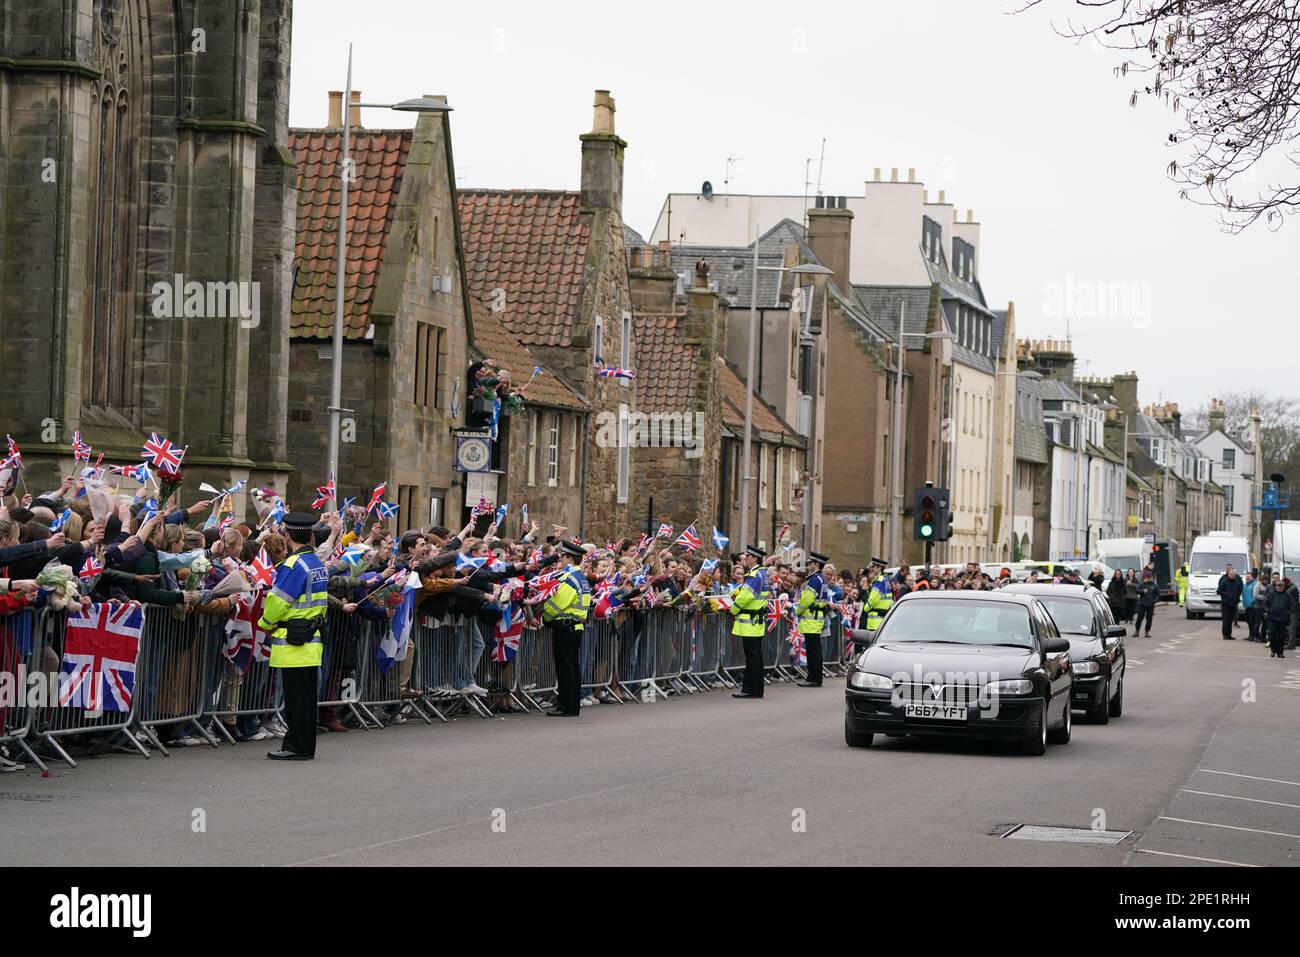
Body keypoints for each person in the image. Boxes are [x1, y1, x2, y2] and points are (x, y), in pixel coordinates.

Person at [260, 512, 329, 760]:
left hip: (293, 640)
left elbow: (278, 601)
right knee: (307, 699)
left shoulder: (293, 565)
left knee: (296, 698)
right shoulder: (316, 563)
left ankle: (295, 746)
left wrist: (265, 622)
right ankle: (305, 745)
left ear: (287, 535)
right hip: (310, 638)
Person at [540, 540, 589, 717]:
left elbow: (558, 604)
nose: (559, 558)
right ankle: (571, 705)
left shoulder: (570, 578)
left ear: (569, 558)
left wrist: (544, 615)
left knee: (565, 668)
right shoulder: (580, 577)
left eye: (562, 556)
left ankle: (567, 706)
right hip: (575, 626)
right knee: (572, 667)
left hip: (565, 626)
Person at [730, 546, 771, 700]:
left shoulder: (754, 575)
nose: (745, 558)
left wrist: (733, 609)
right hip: (757, 622)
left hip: (750, 623)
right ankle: (757, 689)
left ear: (754, 558)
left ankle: (750, 689)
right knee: (757, 657)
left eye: (748, 556)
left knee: (751, 658)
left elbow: (745, 597)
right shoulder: (763, 574)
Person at [796, 551, 830, 688]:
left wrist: (797, 610)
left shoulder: (815, 579)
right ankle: (815, 677)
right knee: (815, 650)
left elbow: (807, 599)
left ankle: (813, 678)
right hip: (817, 619)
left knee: (813, 650)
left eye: (811, 563)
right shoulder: (822, 578)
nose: (809, 565)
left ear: (816, 564)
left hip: (812, 620)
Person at [863, 557, 893, 634]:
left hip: (875, 621)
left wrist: (866, 608)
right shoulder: (885, 579)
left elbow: (873, 599)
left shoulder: (879, 581)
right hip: (882, 619)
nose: (871, 569)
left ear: (879, 568)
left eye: (873, 567)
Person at [1264, 576, 1292, 659]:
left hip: (1283, 619)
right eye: (1278, 586)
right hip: (1272, 618)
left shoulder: (1287, 595)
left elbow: (1291, 606)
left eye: (1281, 586)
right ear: (1276, 586)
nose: (1279, 587)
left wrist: (1287, 613)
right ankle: (1273, 650)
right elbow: (1266, 603)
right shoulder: (1271, 593)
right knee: (1272, 635)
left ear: (1284, 587)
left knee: (1281, 636)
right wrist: (1268, 611)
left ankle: (1280, 652)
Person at [1216, 564, 1243, 640]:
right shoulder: (1224, 582)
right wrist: (1226, 594)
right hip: (1225, 604)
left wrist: (1237, 596)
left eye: (1234, 574)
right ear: (1228, 574)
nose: (1232, 575)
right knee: (1226, 620)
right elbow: (1219, 591)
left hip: (1233, 603)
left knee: (1231, 619)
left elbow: (1240, 590)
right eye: (1231, 574)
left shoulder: (1237, 582)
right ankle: (1225, 634)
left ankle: (1229, 634)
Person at [1134, 571, 1158, 638]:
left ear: (1151, 578)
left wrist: (1154, 601)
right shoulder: (1141, 584)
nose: (1148, 578)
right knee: (1139, 618)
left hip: (1150, 605)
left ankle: (1147, 632)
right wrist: (1142, 591)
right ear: (1145, 577)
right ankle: (1137, 631)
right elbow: (1136, 591)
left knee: (1149, 619)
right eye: (1147, 577)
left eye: (1149, 577)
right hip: (1142, 604)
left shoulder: (1154, 585)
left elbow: (1158, 595)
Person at [1241, 571, 1257, 640]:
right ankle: (1250, 635)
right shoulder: (1245, 585)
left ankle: (1253, 635)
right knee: (1248, 621)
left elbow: (1255, 595)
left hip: (1253, 606)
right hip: (1247, 606)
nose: (1247, 577)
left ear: (1252, 577)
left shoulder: (1255, 584)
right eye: (1246, 576)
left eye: (1249, 576)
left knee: (1252, 621)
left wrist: (1252, 602)